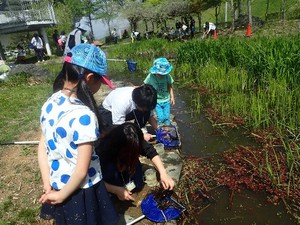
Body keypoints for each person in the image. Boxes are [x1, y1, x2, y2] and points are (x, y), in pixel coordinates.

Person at [38, 43, 119, 225]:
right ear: (90, 78)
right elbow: (82, 171)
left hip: (59, 183)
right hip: (83, 189)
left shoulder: (49, 103)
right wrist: (62, 195)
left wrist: (48, 183)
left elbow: (41, 147)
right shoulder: (85, 116)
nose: (100, 86)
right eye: (100, 81)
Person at [98, 85, 175, 193]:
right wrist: (116, 190)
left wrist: (163, 173)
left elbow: (150, 151)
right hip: (108, 112)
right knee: (114, 179)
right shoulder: (121, 102)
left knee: (138, 185)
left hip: (128, 124)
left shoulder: (144, 98)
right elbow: (118, 128)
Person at [144, 58, 175, 126]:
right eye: (160, 74)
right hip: (157, 101)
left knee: (167, 117)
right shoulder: (151, 76)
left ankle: (168, 128)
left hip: (166, 100)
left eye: (163, 74)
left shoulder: (167, 76)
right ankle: (160, 129)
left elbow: (170, 86)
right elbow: (145, 85)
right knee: (160, 117)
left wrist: (172, 97)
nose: (162, 75)